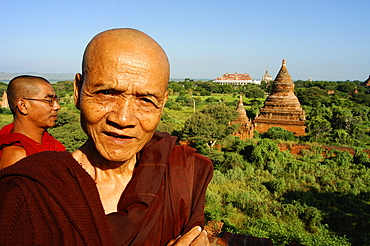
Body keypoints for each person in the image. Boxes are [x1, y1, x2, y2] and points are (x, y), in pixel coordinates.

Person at [0, 28, 213, 245]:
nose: (123, 119)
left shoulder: (182, 173)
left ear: (163, 102)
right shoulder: (29, 189)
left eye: (146, 100)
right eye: (107, 93)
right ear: (78, 91)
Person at [0, 75, 66, 169]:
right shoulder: (17, 156)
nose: (57, 106)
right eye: (49, 100)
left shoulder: (50, 143)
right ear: (23, 106)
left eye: (55, 100)